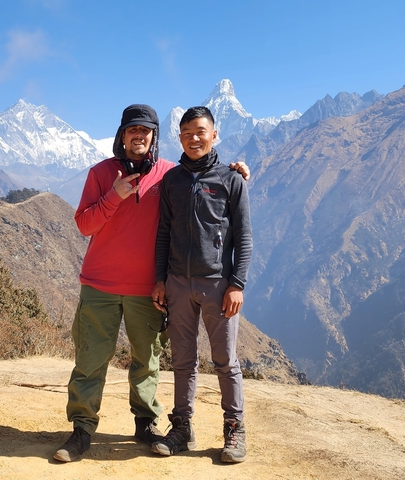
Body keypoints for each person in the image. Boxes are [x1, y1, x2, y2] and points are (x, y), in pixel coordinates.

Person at [54, 104, 249, 462]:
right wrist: (114, 195)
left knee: (147, 361)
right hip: (99, 285)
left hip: (149, 289)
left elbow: (203, 180)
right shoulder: (101, 173)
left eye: (146, 131)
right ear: (122, 135)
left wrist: (234, 171)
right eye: (132, 130)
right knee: (90, 360)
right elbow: (84, 225)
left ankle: (145, 423)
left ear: (155, 137)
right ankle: (82, 430)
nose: (139, 136)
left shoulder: (168, 176)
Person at [150, 106, 252, 463]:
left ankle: (235, 430)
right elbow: (163, 233)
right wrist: (160, 279)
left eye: (201, 131)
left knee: (225, 360)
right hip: (177, 283)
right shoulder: (172, 181)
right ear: (179, 138)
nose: (194, 138)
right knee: (183, 360)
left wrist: (236, 283)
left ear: (214, 135)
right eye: (187, 132)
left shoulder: (231, 179)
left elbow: (244, 237)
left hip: (218, 286)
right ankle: (182, 428)